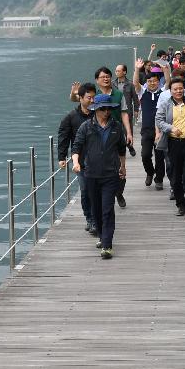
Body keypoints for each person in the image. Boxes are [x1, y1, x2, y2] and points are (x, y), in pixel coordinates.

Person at [71, 94, 127, 259]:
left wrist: (123, 167)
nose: (106, 111)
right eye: (103, 108)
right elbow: (76, 147)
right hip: (91, 174)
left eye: (109, 108)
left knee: (107, 209)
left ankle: (107, 245)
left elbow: (122, 149)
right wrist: (76, 162)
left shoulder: (117, 127)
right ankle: (102, 237)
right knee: (96, 209)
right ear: (95, 109)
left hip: (111, 174)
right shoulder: (86, 127)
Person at [70, 66, 133, 208]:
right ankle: (106, 196)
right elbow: (78, 100)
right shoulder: (94, 95)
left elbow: (124, 113)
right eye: (102, 77)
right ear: (96, 80)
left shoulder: (118, 93)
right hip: (97, 134)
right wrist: (74, 93)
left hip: (115, 133)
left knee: (119, 168)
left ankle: (118, 192)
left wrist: (128, 132)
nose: (106, 79)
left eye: (108, 76)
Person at [155, 77, 185, 221]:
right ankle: (180, 204)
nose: (178, 91)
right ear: (170, 91)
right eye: (175, 89)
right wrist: (171, 128)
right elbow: (159, 120)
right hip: (173, 143)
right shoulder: (165, 104)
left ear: (184, 89)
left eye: (180, 88)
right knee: (175, 178)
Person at [57, 82, 96, 234]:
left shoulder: (99, 113)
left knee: (97, 191)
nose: (91, 101)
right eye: (88, 98)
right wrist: (61, 157)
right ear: (80, 98)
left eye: (93, 97)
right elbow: (63, 137)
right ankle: (90, 219)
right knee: (85, 190)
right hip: (81, 161)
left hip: (99, 160)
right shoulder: (70, 117)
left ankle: (96, 218)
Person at [133, 59, 165, 190]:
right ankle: (150, 172)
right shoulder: (143, 93)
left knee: (159, 156)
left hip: (161, 129)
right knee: (145, 155)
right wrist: (137, 69)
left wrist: (166, 70)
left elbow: (168, 82)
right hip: (146, 130)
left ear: (158, 81)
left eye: (154, 81)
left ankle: (159, 180)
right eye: (149, 81)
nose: (152, 83)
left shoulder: (163, 93)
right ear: (146, 82)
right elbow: (135, 83)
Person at [114, 63, 139, 157]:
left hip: (127, 111)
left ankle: (130, 146)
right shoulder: (112, 84)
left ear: (124, 72)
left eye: (118, 70)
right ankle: (118, 150)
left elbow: (135, 98)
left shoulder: (130, 84)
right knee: (116, 130)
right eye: (116, 71)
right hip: (115, 111)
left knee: (128, 130)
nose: (116, 72)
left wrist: (136, 109)